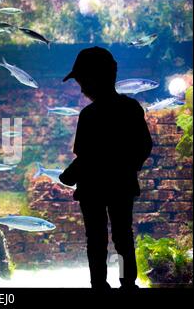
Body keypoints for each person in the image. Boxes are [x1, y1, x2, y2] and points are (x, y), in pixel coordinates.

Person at [59, 46, 153, 290]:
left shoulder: (88, 115)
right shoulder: (131, 108)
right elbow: (144, 146)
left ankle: (98, 283)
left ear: (93, 79)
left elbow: (85, 156)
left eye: (82, 81)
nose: (81, 88)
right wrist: (127, 169)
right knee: (124, 237)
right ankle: (127, 282)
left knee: (96, 240)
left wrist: (68, 175)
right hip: (123, 186)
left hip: (91, 189)